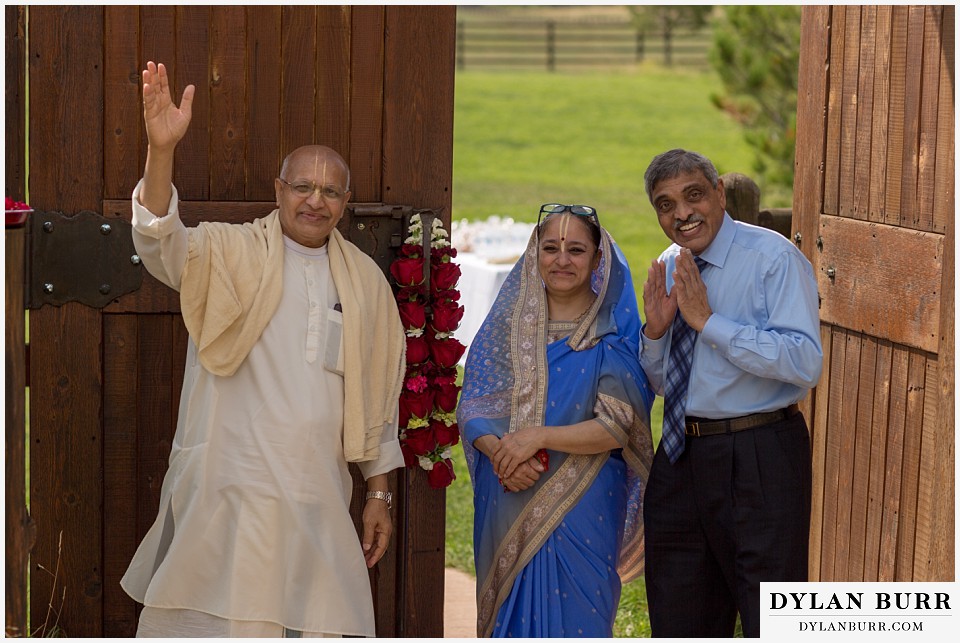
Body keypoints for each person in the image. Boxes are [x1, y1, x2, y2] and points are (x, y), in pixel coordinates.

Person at [119, 61, 407, 637]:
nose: (315, 201)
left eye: (330, 190)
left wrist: (380, 491)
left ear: (345, 202)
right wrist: (161, 151)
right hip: (230, 485)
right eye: (302, 186)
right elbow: (159, 241)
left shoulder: (366, 283)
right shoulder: (227, 252)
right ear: (279, 191)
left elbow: (379, 395)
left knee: (319, 619)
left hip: (315, 493)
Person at [639, 149, 823, 638]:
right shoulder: (670, 263)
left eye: (693, 195)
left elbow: (804, 363)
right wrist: (656, 333)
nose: (681, 214)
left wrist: (709, 323)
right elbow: (666, 383)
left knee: (771, 619)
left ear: (719, 193)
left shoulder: (773, 259)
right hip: (679, 459)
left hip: (760, 456)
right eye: (665, 204)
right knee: (680, 617)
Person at [457, 204, 655, 637]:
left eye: (576, 250)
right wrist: (504, 455)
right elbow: (474, 406)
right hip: (507, 495)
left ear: (598, 259)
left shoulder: (610, 334)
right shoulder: (507, 328)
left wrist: (535, 438)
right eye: (550, 248)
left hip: (585, 504)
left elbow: (616, 425)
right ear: (534, 254)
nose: (561, 260)